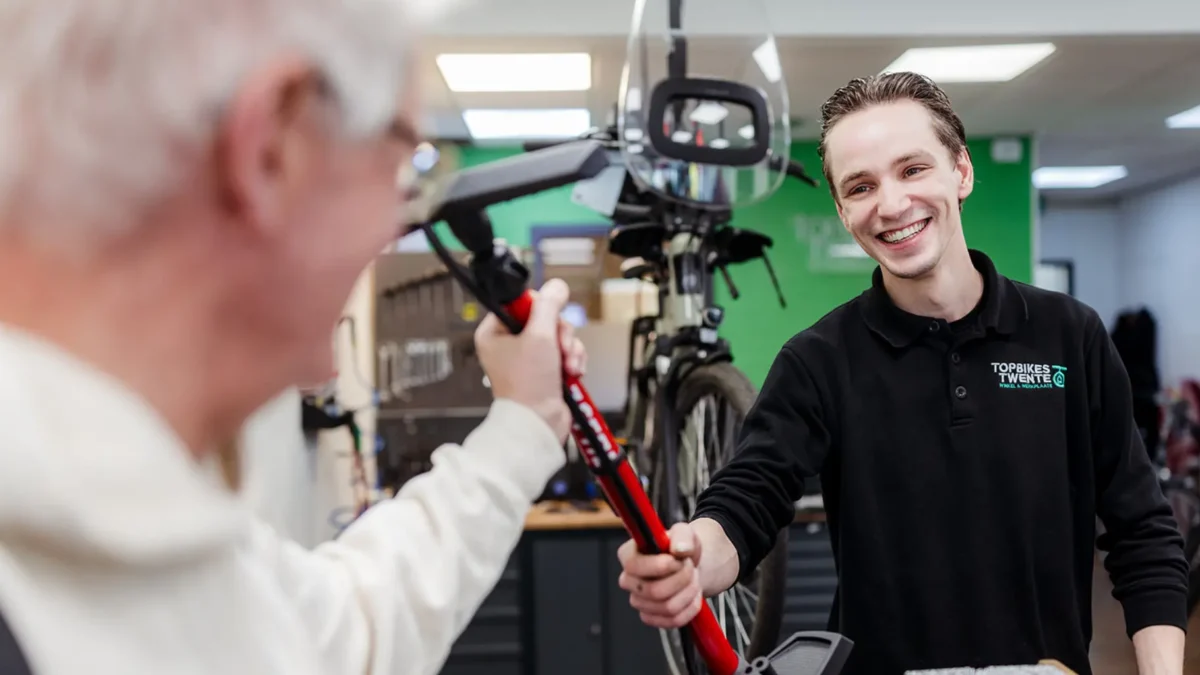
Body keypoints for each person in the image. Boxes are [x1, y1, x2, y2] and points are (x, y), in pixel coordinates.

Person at [0, 2, 586, 675]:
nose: (392, 224)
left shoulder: (158, 539)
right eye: (404, 165)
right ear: (273, 147)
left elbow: (342, 628)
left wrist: (521, 424)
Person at [616, 71, 1189, 675]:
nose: (891, 205)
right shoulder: (819, 360)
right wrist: (690, 557)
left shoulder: (1070, 336)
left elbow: (1142, 531)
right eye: (861, 186)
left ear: (961, 171)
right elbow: (746, 501)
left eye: (912, 169)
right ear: (841, 210)